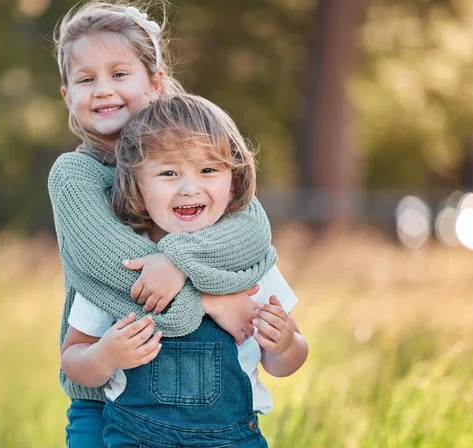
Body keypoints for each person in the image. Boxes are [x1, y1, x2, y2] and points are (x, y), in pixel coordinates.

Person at [49, 2, 280, 447]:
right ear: (67, 96)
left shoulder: (189, 153)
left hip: (204, 410)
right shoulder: (74, 176)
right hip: (103, 388)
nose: (102, 90)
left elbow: (252, 230)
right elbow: (120, 271)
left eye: (119, 74)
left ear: (154, 83)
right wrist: (212, 300)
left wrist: (176, 260)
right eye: (86, 79)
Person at [61, 94, 309, 448]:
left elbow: (286, 361)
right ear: (136, 186)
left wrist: (284, 344)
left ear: (233, 182)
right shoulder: (122, 264)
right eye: (168, 173)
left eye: (208, 170)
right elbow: (73, 357)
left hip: (233, 440)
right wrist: (104, 356)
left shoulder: (247, 263)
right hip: (136, 439)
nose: (189, 187)